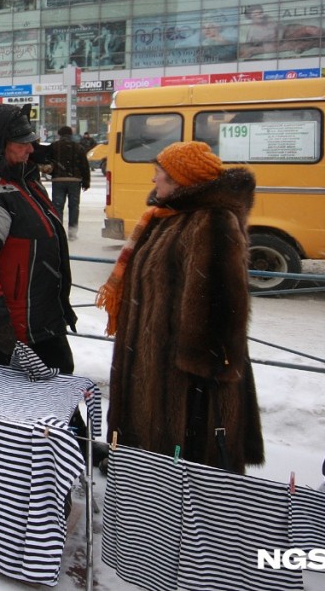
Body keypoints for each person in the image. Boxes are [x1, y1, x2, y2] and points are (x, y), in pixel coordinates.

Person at [96, 141, 264, 473]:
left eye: (160, 175)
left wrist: (206, 368)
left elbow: (222, 302)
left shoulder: (213, 221)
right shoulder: (166, 215)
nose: (154, 182)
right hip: (152, 355)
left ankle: (182, 495)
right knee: (150, 433)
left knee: (185, 448)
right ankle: (140, 471)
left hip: (182, 371)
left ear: (181, 181)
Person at [0, 104, 78, 372]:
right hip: (20, 327)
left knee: (49, 394)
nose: (30, 149)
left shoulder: (24, 178)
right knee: (45, 400)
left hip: (43, 317)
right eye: (22, 143)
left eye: (31, 141)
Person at [48, 126, 91, 239]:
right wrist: (86, 181)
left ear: (59, 134)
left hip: (58, 180)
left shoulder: (54, 146)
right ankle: (72, 232)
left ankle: (58, 231)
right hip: (74, 181)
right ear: (71, 134)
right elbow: (84, 165)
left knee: (57, 207)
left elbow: (47, 161)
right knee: (74, 206)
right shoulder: (78, 147)